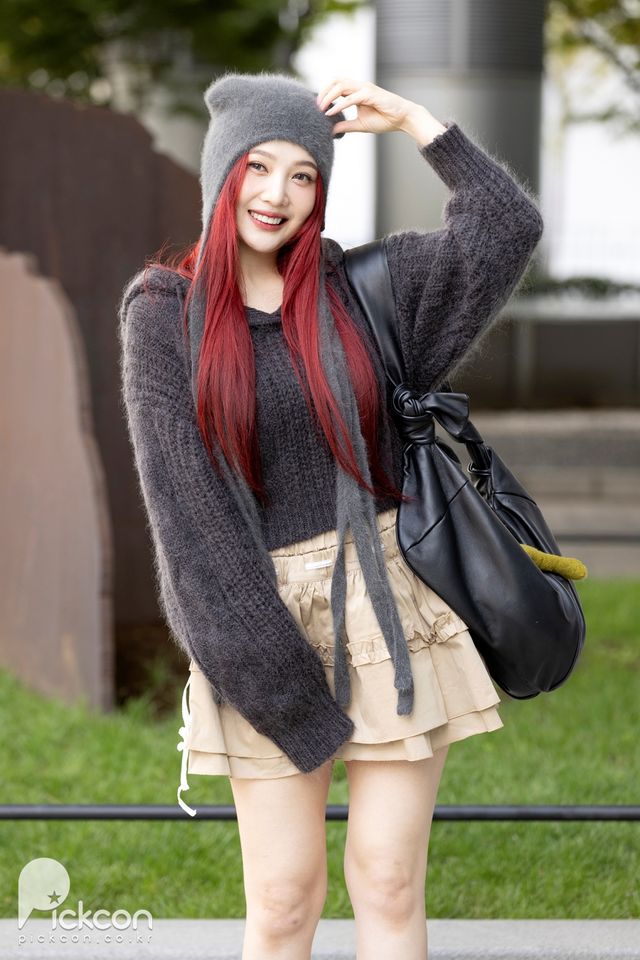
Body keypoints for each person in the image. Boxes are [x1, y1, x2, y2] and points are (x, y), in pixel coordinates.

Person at [118, 71, 543, 960]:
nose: (277, 193)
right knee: (283, 901)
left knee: (388, 882)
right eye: (258, 166)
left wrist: (417, 122)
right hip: (256, 618)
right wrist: (276, 682)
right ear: (222, 171)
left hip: (391, 608)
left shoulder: (364, 294)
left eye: (303, 174)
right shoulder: (164, 315)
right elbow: (189, 521)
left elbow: (505, 226)